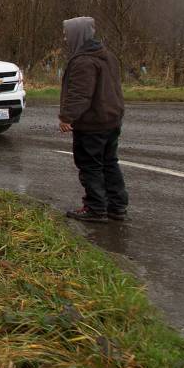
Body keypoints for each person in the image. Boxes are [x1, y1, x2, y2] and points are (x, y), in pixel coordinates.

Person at [59, 16, 128, 223]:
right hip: (111, 118)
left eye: (66, 34)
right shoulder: (107, 55)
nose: (64, 38)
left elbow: (80, 94)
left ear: (77, 34)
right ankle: (117, 206)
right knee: (109, 162)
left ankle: (96, 208)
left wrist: (67, 117)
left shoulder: (83, 61)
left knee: (90, 165)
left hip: (93, 123)